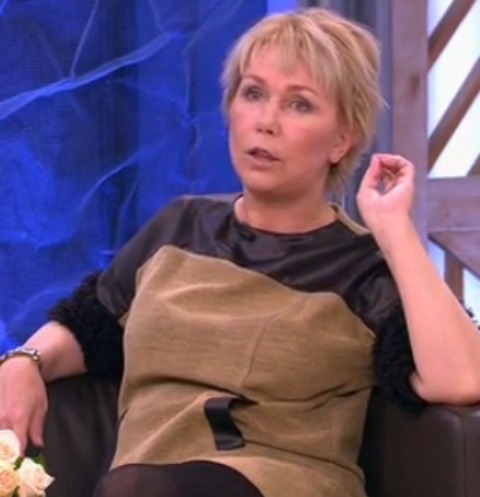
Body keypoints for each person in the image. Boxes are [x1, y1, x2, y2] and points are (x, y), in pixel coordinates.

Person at [0, 7, 479, 497]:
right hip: (141, 481)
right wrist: (24, 361)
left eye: (299, 104)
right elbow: (90, 325)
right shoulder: (177, 228)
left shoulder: (364, 269)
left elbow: (463, 379)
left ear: (342, 140)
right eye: (253, 94)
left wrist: (394, 230)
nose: (266, 122)